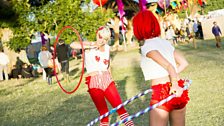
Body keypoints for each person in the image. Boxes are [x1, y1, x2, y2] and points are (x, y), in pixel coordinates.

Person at [132, 10, 189, 126]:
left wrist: (173, 83)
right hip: (178, 91)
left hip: (163, 91)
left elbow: (169, 66)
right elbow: (183, 63)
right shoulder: (165, 42)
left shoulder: (146, 46)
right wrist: (173, 80)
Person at [70, 26, 134, 126]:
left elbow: (108, 65)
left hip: (107, 80)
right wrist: (91, 45)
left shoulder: (107, 48)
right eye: (100, 36)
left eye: (105, 38)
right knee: (104, 114)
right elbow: (72, 44)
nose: (102, 40)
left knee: (120, 108)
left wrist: (112, 78)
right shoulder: (88, 45)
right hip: (94, 82)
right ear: (97, 34)